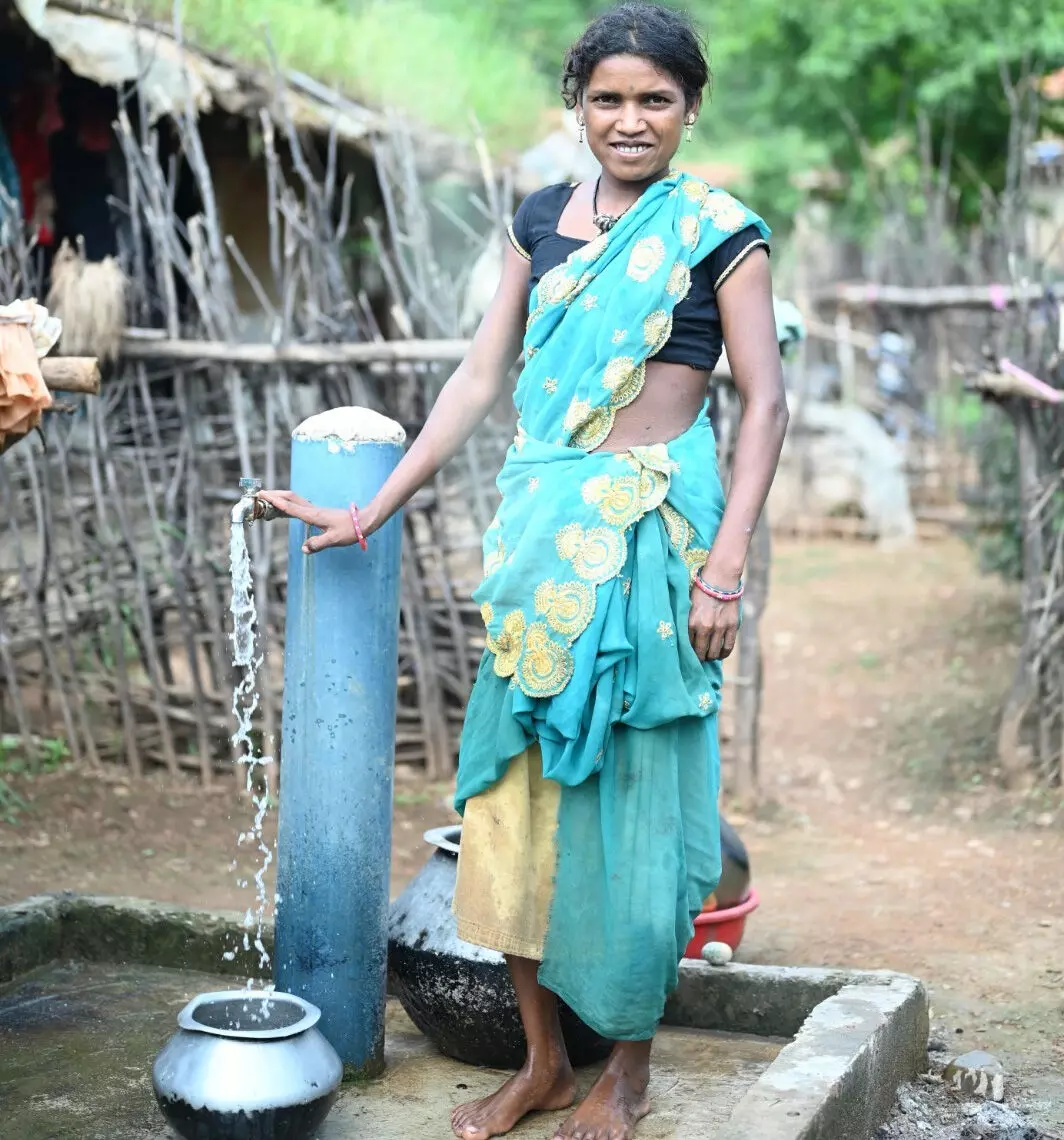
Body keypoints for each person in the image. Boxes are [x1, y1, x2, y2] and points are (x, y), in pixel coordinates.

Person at [259, 5, 788, 1137]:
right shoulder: (538, 221)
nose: (629, 119)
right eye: (607, 99)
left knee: (632, 811)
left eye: (654, 99)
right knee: (512, 807)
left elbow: (763, 403)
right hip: (535, 545)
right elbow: (473, 381)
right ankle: (542, 1062)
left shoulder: (717, 233)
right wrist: (372, 505)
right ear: (576, 106)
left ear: (689, 108)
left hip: (651, 553)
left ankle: (626, 1074)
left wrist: (726, 567)